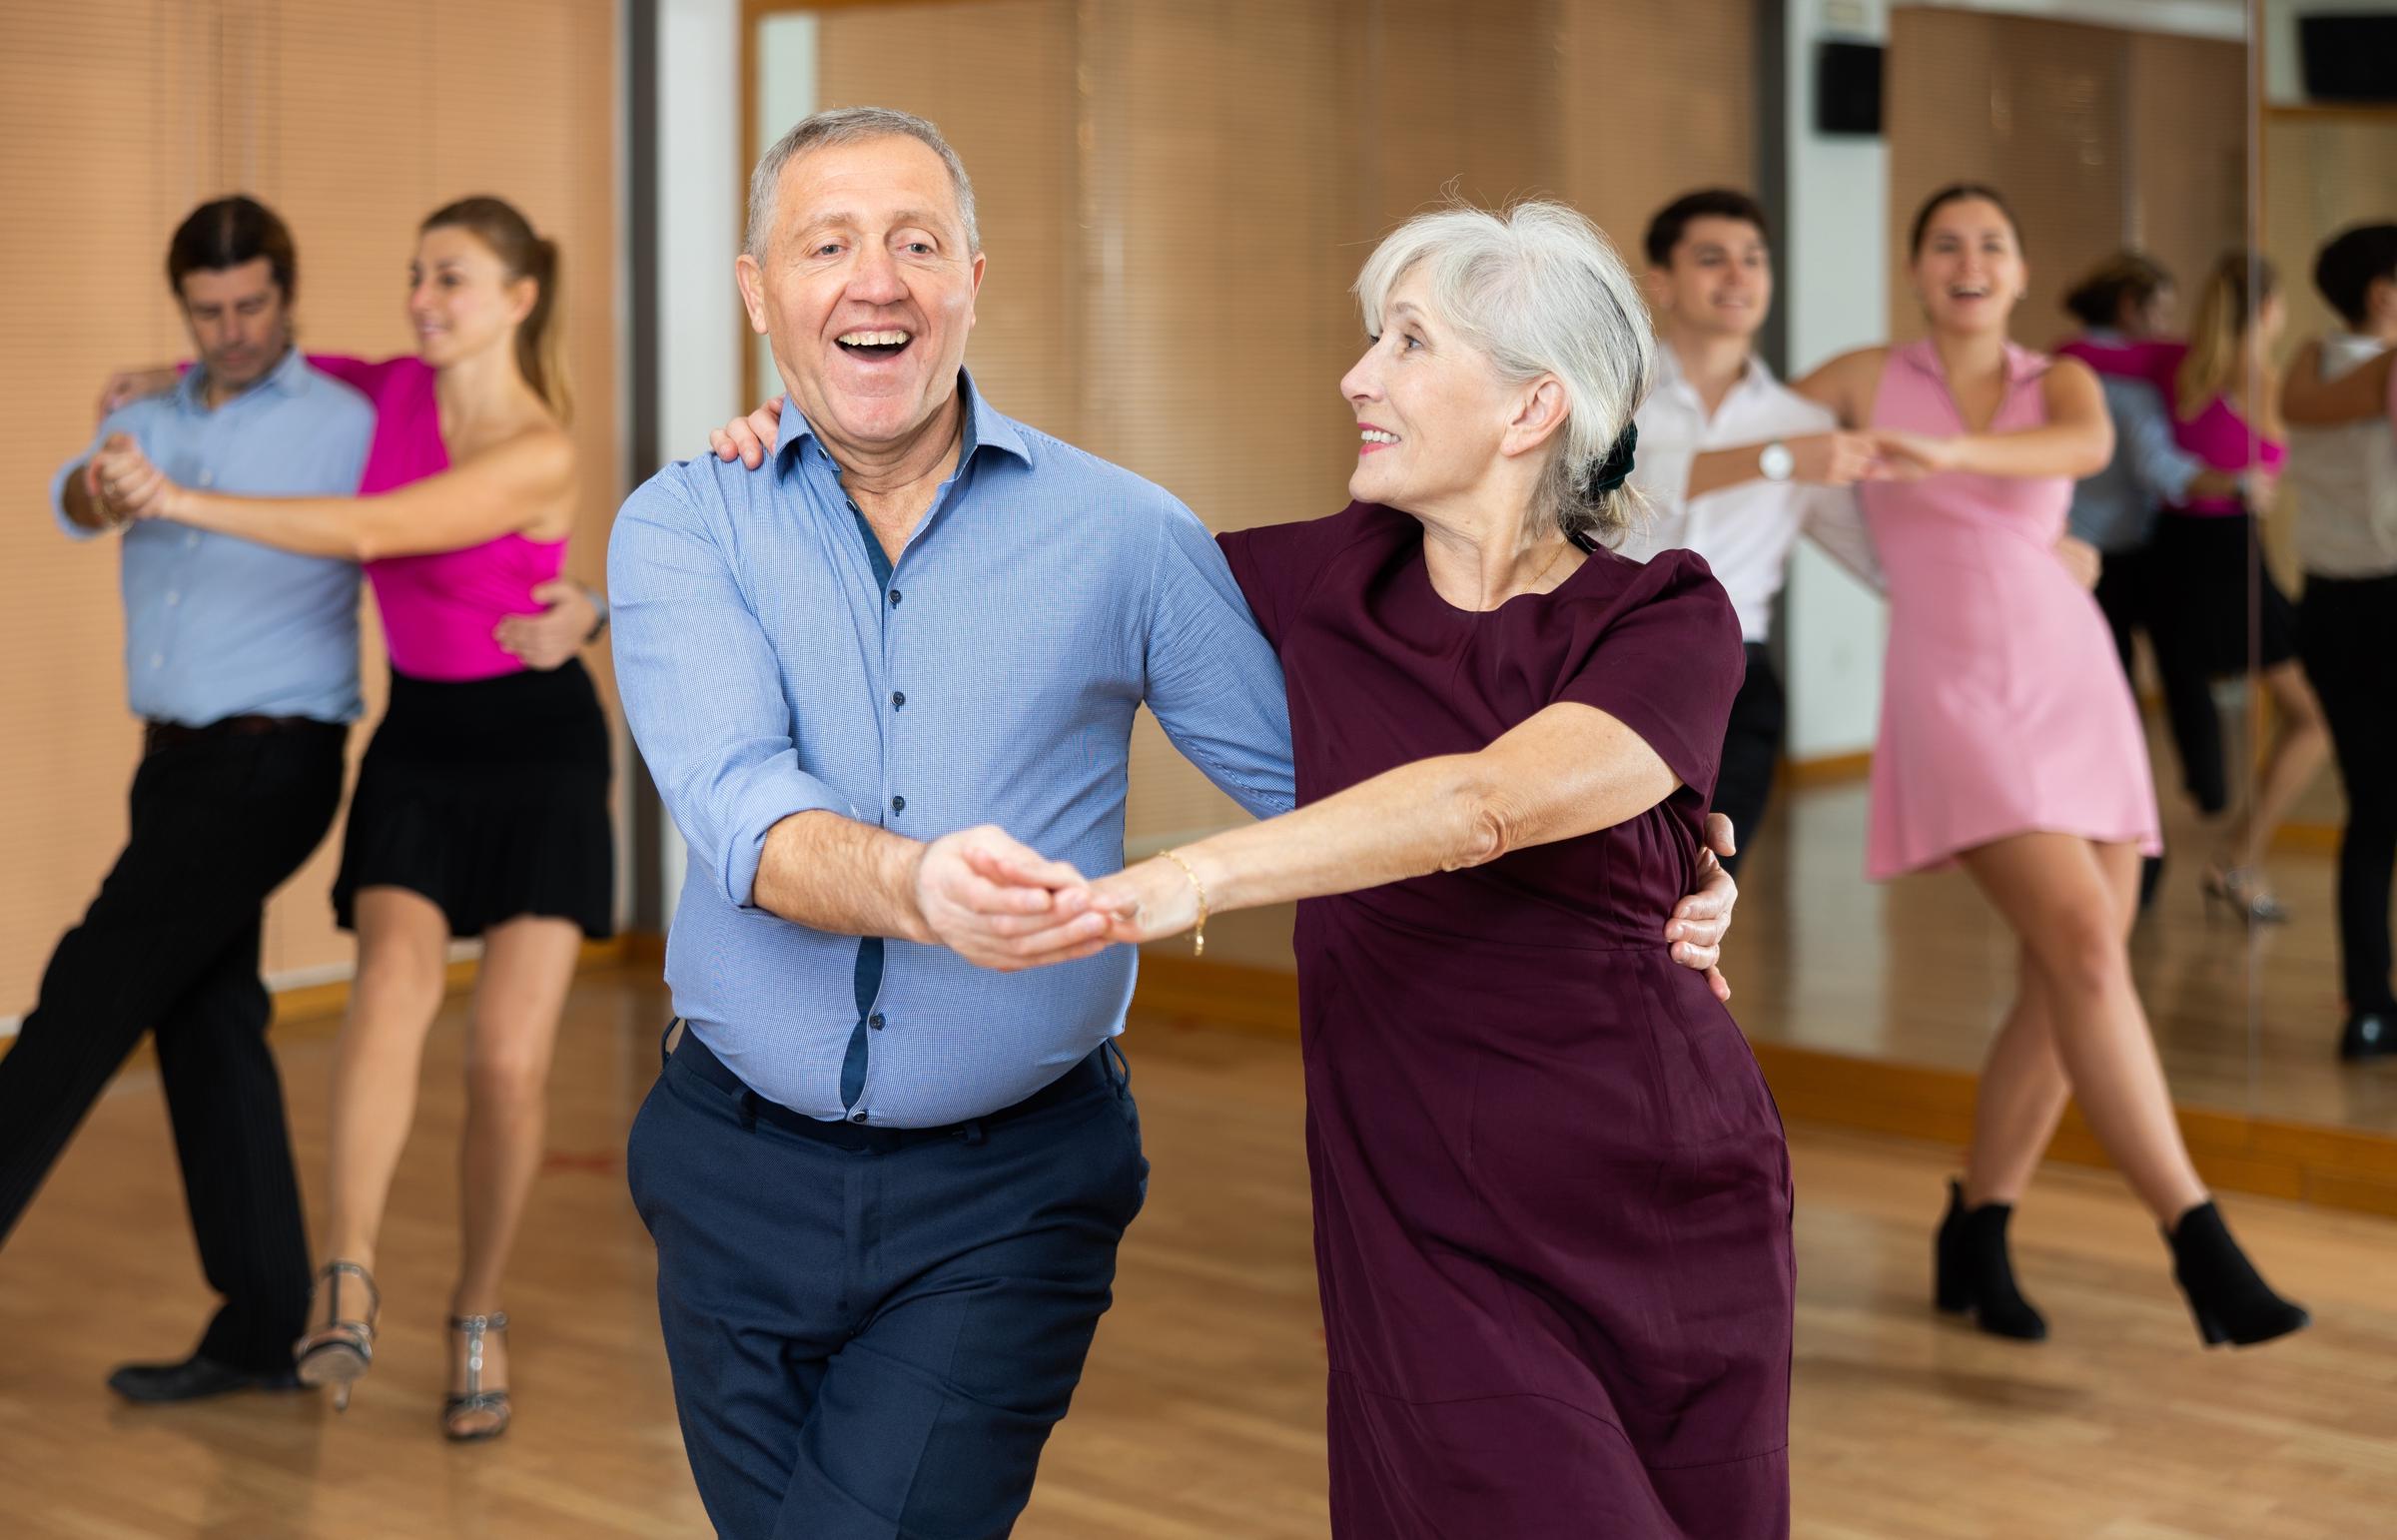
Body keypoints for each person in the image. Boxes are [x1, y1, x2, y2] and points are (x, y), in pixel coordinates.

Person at [638, 107, 1739, 1537]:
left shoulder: (1122, 538)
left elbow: (1360, 796)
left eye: (915, 244)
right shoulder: (687, 521)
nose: (875, 282)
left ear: (974, 273)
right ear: (758, 289)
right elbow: (740, 804)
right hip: (728, 1173)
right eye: (825, 247)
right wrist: (923, 885)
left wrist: (1669, 855)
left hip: (1009, 1194)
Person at [1079, 200, 1791, 1539]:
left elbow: (1489, 804)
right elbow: (1046, 552)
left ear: (1532, 409)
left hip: (1655, 1188)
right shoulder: (1316, 583)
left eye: (1408, 342)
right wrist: (802, 449)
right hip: (1419, 1202)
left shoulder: (1664, 614)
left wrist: (1195, 877)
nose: (1360, 374)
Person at [89, 196, 612, 1440]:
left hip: (537, 750)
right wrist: (168, 371)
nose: (426, 300)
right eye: (417, 275)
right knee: (386, 991)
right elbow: (265, 360)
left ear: (519, 297)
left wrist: (177, 499)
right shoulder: (389, 387)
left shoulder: (541, 445)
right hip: (420, 742)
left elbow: (375, 528)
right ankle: (347, 1280)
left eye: (455, 280)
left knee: (503, 1061)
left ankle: (477, 1313)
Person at [1798, 185, 2307, 1350]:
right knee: (2084, 945)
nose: (1970, 261)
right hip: (1957, 695)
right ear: (1915, 267)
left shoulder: (2062, 381)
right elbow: (1744, 450)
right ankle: (2199, 1242)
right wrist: (1851, 521)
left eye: (1993, 243)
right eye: (1946, 245)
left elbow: (2079, 449)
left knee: (2063, 976)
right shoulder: (1863, 374)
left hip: (2077, 686)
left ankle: (1976, 1228)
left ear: (2021, 272)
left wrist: (1951, 456)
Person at [1618, 189, 1885, 876]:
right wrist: (1778, 460)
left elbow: (1877, 559)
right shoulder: (1610, 395)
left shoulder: (1804, 424)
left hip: (1736, 681)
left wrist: (2023, 554)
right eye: (1712, 259)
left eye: (1753, 260)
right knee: (1607, 887)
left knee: (1700, 890)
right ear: (1663, 282)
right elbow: (1615, 484)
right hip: (1606, 661)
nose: (1738, 276)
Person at [2138, 254, 2328, 925]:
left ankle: (2218, 854)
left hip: (2172, 552)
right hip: (2227, 560)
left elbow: (2091, 355)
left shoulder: (2176, 368)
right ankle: (2237, 860)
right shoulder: (2268, 384)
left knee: (2175, 712)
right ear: (2271, 309)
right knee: (2312, 717)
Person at [2281, 224, 2397, 1061]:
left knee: (2372, 812)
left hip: (2326, 605)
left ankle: (2368, 1005)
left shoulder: (2308, 360)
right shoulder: (2382, 370)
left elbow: (2297, 408)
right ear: (2383, 292)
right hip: (2387, 603)